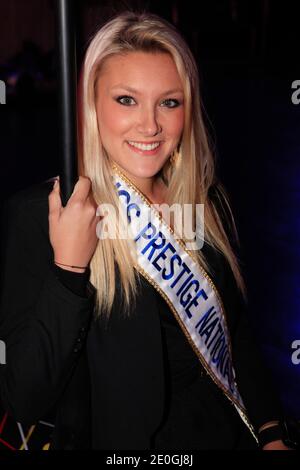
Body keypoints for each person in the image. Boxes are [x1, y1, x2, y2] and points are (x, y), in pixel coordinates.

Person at [0, 11, 290, 450]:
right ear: (91, 105)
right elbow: (24, 397)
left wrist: (271, 433)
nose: (150, 126)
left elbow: (235, 336)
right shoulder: (43, 215)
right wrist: (68, 269)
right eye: (126, 100)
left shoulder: (205, 202)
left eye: (169, 102)